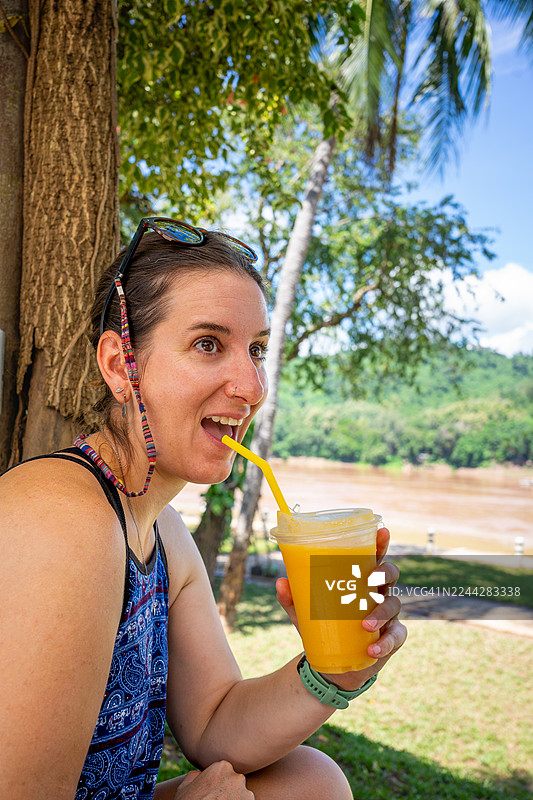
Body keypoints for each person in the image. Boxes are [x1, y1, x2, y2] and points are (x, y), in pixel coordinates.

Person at [0, 218, 407, 799]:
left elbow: (215, 722)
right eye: (208, 344)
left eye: (256, 350)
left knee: (310, 781)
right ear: (120, 366)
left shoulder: (160, 528)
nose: (252, 387)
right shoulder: (62, 522)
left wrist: (333, 671)